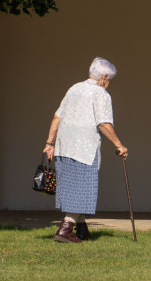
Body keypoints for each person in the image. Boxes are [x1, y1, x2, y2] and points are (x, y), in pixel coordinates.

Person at [43, 57, 128, 243]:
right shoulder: (101, 94)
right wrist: (119, 145)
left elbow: (57, 117)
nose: (109, 83)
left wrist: (50, 143)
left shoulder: (74, 88)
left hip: (64, 147)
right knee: (83, 189)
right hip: (84, 149)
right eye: (109, 79)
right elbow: (104, 123)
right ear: (104, 77)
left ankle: (82, 230)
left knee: (72, 189)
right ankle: (65, 229)